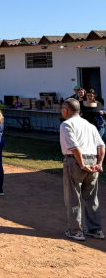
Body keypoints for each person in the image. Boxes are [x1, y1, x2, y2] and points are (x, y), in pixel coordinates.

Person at [59, 98, 105, 240]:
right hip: (93, 159)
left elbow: (74, 147)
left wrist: (82, 164)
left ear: (66, 110)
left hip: (75, 161)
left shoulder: (66, 124)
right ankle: (95, 230)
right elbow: (101, 146)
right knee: (91, 197)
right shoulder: (89, 125)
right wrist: (99, 163)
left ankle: (76, 231)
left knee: (73, 197)